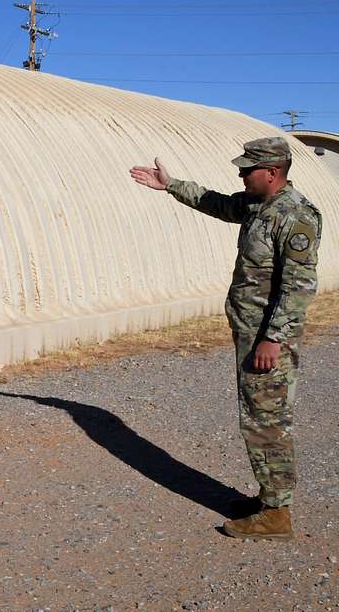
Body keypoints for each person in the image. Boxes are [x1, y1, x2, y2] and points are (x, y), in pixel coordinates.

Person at [129, 136, 321, 540]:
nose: (240, 174)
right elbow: (217, 202)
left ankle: (277, 513)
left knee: (267, 422)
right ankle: (269, 497)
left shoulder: (296, 216)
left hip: (268, 339)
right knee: (256, 417)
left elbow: (298, 286)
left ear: (272, 172)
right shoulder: (257, 205)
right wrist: (171, 185)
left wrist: (273, 339)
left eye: (247, 169)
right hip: (251, 332)